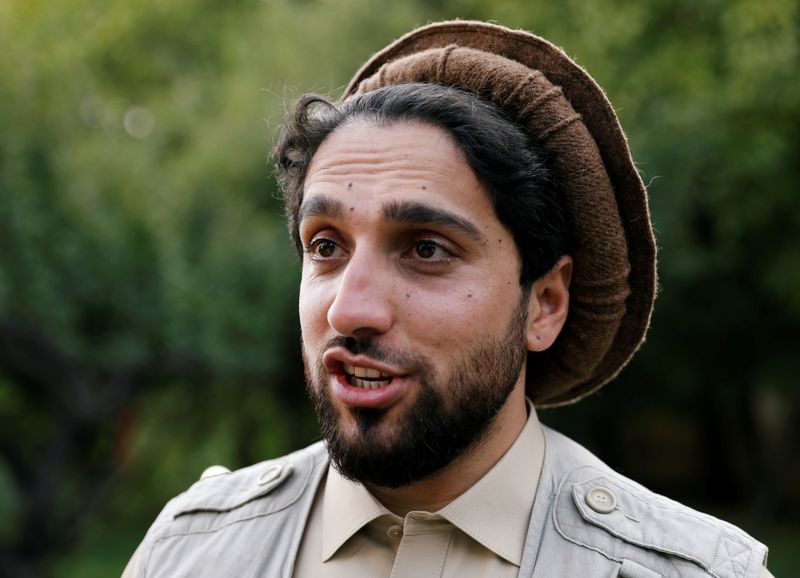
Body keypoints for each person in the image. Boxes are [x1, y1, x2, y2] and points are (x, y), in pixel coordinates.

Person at [122, 20, 773, 578]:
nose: (350, 311)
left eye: (426, 249)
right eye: (325, 247)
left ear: (544, 303)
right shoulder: (190, 553)